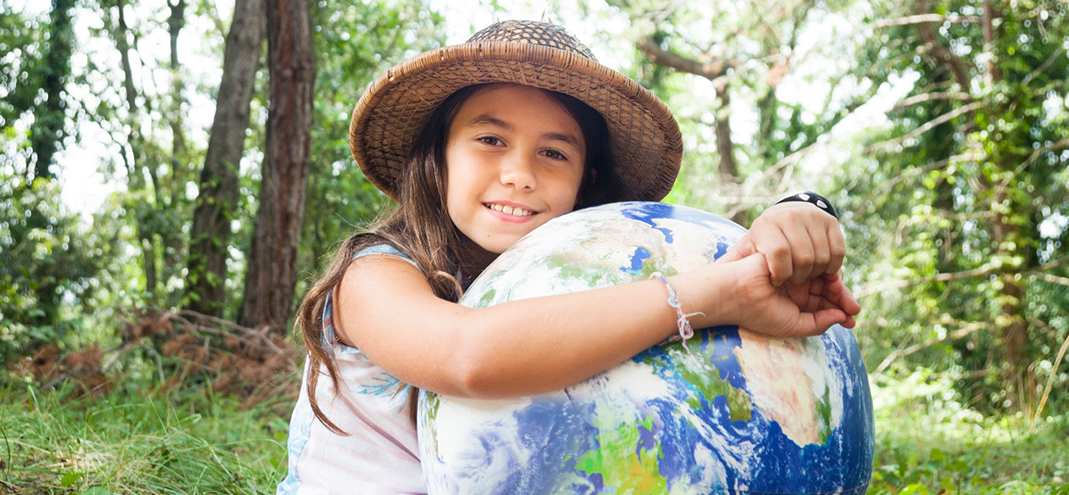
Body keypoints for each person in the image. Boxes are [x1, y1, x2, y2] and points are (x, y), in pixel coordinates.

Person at [276, 20, 861, 494]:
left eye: (554, 152)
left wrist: (798, 212)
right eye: (490, 140)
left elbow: (710, 250)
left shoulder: (581, 277)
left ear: (587, 184)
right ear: (439, 157)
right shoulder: (374, 273)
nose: (520, 174)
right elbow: (468, 355)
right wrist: (717, 294)